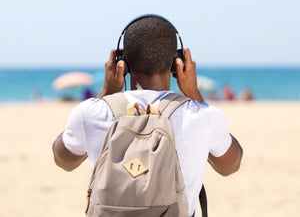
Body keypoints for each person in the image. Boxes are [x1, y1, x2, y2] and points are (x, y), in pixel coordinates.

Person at [52, 14, 243, 216]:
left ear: (121, 63)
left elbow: (63, 159)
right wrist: (194, 94)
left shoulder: (91, 113)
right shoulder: (202, 117)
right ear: (177, 62)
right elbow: (230, 165)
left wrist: (105, 94)